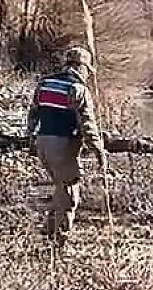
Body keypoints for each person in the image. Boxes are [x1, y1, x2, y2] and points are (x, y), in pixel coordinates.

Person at [26, 45, 105, 242]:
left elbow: (33, 114)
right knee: (70, 193)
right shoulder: (78, 89)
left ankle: (49, 231)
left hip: (42, 143)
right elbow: (88, 124)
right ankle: (60, 240)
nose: (87, 75)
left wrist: (31, 140)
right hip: (62, 145)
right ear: (82, 67)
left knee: (61, 188)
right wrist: (98, 150)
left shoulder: (45, 83)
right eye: (87, 70)